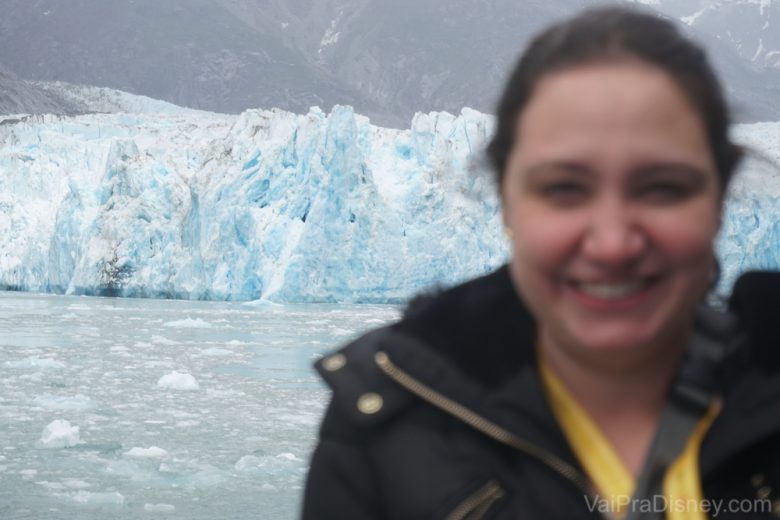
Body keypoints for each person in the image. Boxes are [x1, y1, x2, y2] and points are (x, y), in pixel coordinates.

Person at [302, 6, 780, 520]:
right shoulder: (386, 426)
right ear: (507, 201)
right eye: (564, 189)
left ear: (719, 197)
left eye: (663, 188)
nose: (612, 243)